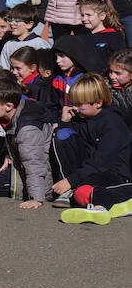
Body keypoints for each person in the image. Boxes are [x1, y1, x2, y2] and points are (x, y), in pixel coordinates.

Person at [49, 74, 131, 214]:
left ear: (98, 103)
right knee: (62, 135)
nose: (74, 108)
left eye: (79, 105)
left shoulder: (112, 123)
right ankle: (76, 193)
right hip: (89, 171)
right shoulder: (81, 118)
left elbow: (102, 160)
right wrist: (64, 122)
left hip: (114, 173)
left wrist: (72, 180)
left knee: (86, 190)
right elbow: (72, 147)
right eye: (73, 103)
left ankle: (103, 206)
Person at [0, 71, 54, 208]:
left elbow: (34, 163)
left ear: (8, 106)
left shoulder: (27, 130)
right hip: (23, 165)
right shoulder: (17, 111)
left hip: (44, 179)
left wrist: (36, 198)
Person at [0, 3, 49, 69]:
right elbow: (4, 68)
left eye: (17, 21)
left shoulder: (39, 43)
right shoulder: (8, 45)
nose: (12, 23)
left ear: (29, 24)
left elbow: (46, 67)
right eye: (10, 20)